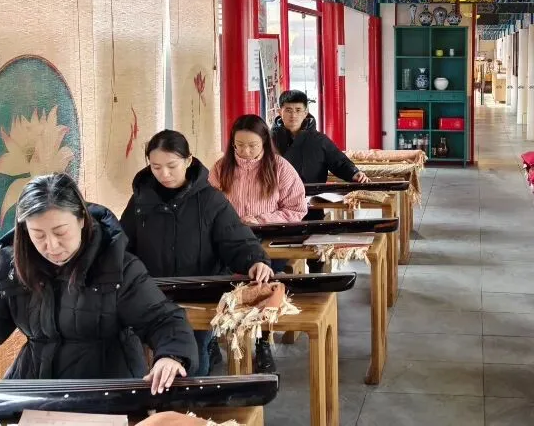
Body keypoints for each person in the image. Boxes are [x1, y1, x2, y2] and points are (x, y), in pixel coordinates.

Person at [0, 173, 196, 394]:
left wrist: (171, 356)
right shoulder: (17, 266)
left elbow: (163, 319)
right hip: (36, 386)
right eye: (38, 235)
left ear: (81, 220)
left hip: (105, 388)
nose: (51, 246)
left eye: (60, 232)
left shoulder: (117, 265)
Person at [120, 129, 273, 377]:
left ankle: (195, 396)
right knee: (154, 360)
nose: (164, 174)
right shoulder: (140, 201)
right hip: (153, 295)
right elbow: (123, 245)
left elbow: (236, 238)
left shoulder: (210, 200)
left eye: (172, 166)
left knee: (195, 358)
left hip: (200, 294)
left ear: (188, 160)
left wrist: (255, 260)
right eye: (156, 167)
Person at [210, 114, 307, 373]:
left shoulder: (280, 167)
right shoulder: (221, 168)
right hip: (228, 240)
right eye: (239, 145)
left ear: (264, 142)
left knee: (263, 279)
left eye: (252, 146)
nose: (245, 151)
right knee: (211, 271)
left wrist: (261, 219)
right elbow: (208, 206)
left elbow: (296, 208)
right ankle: (211, 338)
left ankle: (263, 341)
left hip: (268, 239)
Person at [272, 90, 369, 273]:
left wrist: (355, 173)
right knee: (277, 249)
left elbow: (339, 162)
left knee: (315, 251)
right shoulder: (268, 140)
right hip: (277, 205)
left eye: (298, 110)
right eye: (288, 110)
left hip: (311, 203)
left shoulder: (319, 140)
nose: (293, 115)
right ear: (280, 112)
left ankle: (317, 280)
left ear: (306, 112)